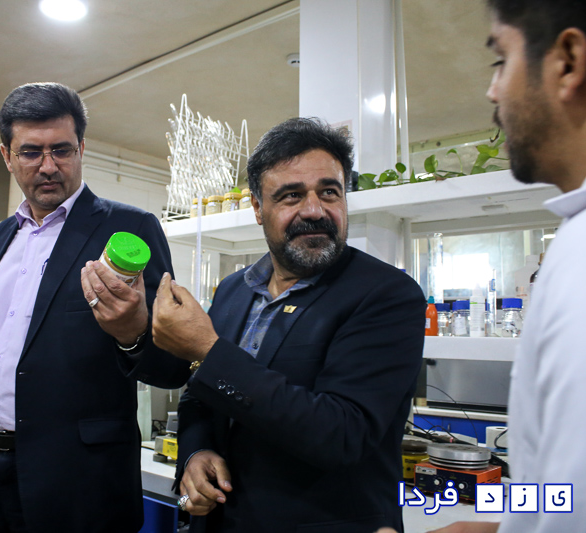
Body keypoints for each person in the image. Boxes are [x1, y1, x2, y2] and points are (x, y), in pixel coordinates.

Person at [152, 117, 426, 532]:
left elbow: (342, 434)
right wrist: (196, 452)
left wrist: (207, 350)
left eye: (329, 192)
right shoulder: (234, 290)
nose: (314, 210)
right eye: (291, 195)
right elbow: (201, 397)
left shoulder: (387, 294)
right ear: (257, 209)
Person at [0, 82, 190, 533]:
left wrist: (133, 332)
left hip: (78, 481)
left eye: (62, 150)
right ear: (7, 156)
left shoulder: (129, 229)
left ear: (81, 148)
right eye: (31, 152)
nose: (49, 166)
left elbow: (173, 365)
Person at [430, 1, 586, 532]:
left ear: (568, 62)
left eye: (501, 61)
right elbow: (561, 489)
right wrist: (499, 522)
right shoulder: (576, 235)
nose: (492, 90)